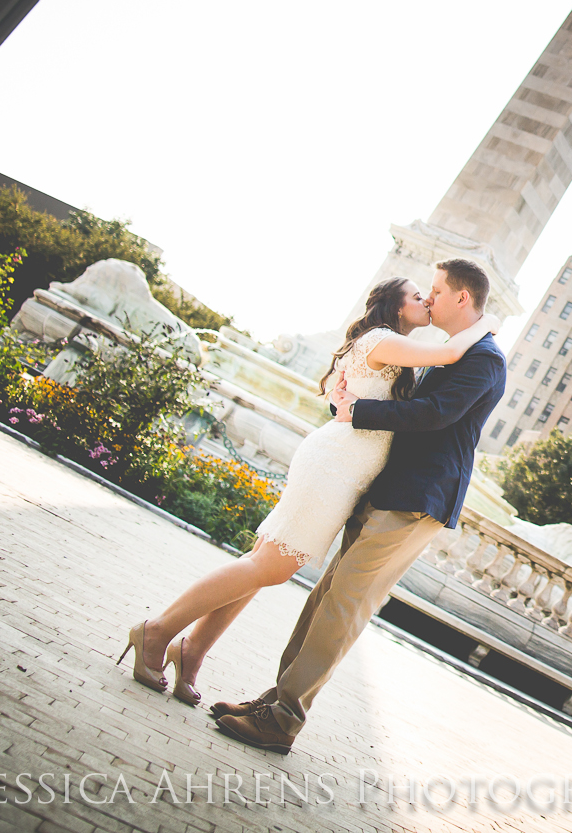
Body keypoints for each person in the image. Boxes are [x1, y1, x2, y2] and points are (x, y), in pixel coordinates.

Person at [115, 273, 499, 704]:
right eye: (417, 295)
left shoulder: (400, 349)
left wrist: (351, 401)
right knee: (272, 567)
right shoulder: (384, 340)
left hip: (348, 468)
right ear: (394, 306)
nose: (427, 299)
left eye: (432, 293)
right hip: (334, 466)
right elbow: (449, 354)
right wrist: (487, 323)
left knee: (263, 564)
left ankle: (192, 652)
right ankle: (158, 630)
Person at [209, 256, 507, 752]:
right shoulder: (454, 349)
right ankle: (274, 702)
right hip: (389, 489)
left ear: (461, 297)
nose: (429, 299)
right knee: (326, 597)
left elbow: (436, 414)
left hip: (418, 498)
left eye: (435, 291)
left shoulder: (486, 359)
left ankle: (283, 720)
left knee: (344, 605)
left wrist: (357, 411)